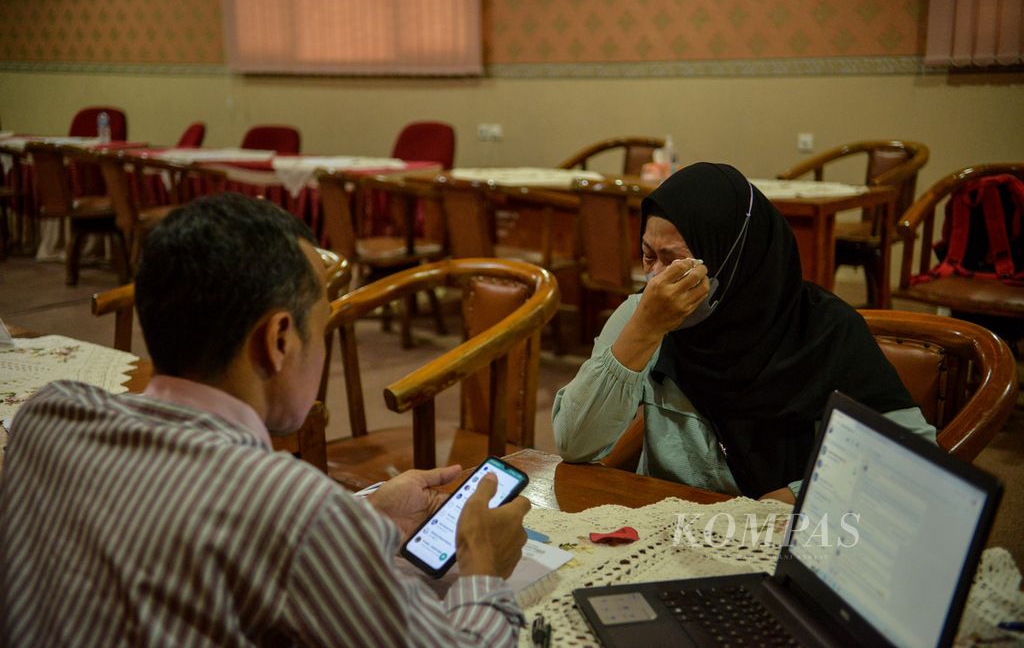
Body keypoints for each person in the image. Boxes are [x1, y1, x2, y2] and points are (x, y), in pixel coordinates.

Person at [0, 193, 530, 646]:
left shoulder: (49, 414)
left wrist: (368, 515)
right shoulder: (290, 509)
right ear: (278, 340)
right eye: (321, 330)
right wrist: (483, 566)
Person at [553, 162, 935, 502]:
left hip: (778, 540)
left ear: (732, 261)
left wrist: (794, 497)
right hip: (669, 531)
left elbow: (913, 457)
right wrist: (642, 332)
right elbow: (574, 444)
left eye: (674, 260)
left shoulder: (824, 329)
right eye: (648, 256)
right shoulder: (644, 313)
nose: (655, 279)